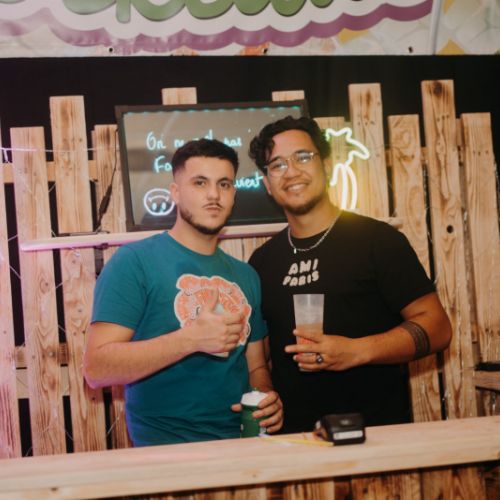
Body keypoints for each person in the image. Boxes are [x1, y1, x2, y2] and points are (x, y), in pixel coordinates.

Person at [248, 116, 452, 433]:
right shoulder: (262, 261)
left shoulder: (377, 240)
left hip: (376, 437)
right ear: (268, 184)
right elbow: (259, 360)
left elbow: (438, 328)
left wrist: (356, 351)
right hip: (295, 443)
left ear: (327, 166)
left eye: (303, 157)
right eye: (278, 165)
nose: (292, 171)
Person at [84, 138, 283, 446]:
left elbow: (256, 366)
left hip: (244, 446)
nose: (214, 194)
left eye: (224, 184)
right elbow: (96, 369)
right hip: (167, 452)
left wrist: (266, 397)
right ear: (175, 193)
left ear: (233, 194)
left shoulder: (246, 276)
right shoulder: (134, 262)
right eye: (200, 183)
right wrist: (190, 340)